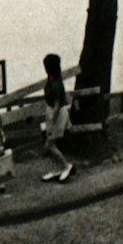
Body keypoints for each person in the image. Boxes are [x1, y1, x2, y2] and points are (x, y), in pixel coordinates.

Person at [39, 53, 75, 183]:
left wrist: (52, 122)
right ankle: (57, 168)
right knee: (51, 144)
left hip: (57, 114)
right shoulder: (52, 79)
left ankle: (66, 166)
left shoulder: (55, 84)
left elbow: (57, 105)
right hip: (51, 112)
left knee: (50, 144)